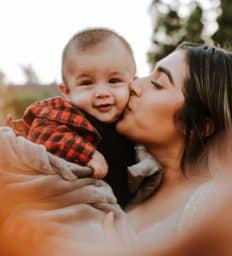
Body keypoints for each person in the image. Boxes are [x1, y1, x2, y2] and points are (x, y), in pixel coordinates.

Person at [0, 42, 232, 255]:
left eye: (158, 83)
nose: (134, 84)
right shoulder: (125, 173)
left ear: (202, 125)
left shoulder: (216, 206)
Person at [10, 28, 160, 208]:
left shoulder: (131, 119)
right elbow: (42, 133)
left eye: (114, 81)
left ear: (132, 83)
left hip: (116, 212)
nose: (102, 93)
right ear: (66, 91)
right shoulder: (66, 112)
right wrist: (87, 154)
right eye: (87, 83)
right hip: (67, 205)